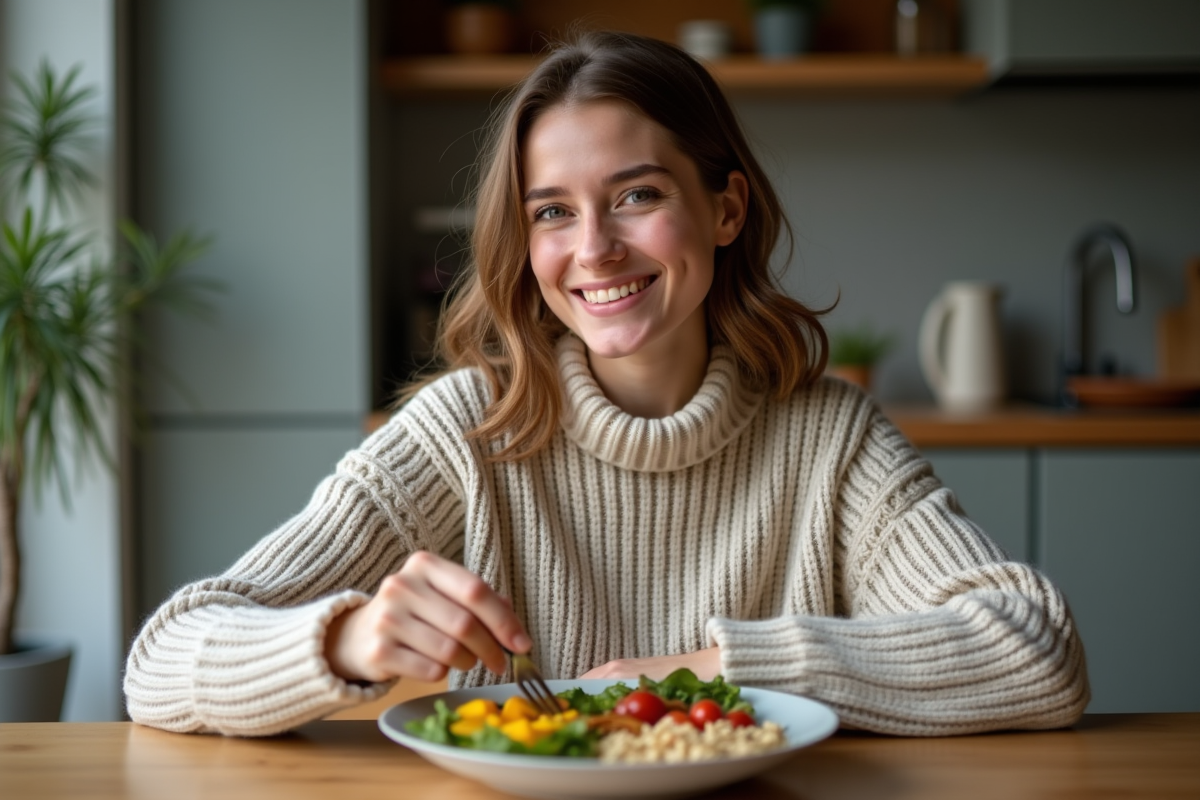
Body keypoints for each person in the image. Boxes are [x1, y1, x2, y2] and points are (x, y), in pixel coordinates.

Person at [124, 31, 1088, 737]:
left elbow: (1033, 650)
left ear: (724, 207)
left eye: (637, 195)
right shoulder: (464, 431)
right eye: (552, 213)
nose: (593, 251)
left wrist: (711, 673)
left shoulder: (828, 439)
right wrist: (344, 641)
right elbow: (161, 660)